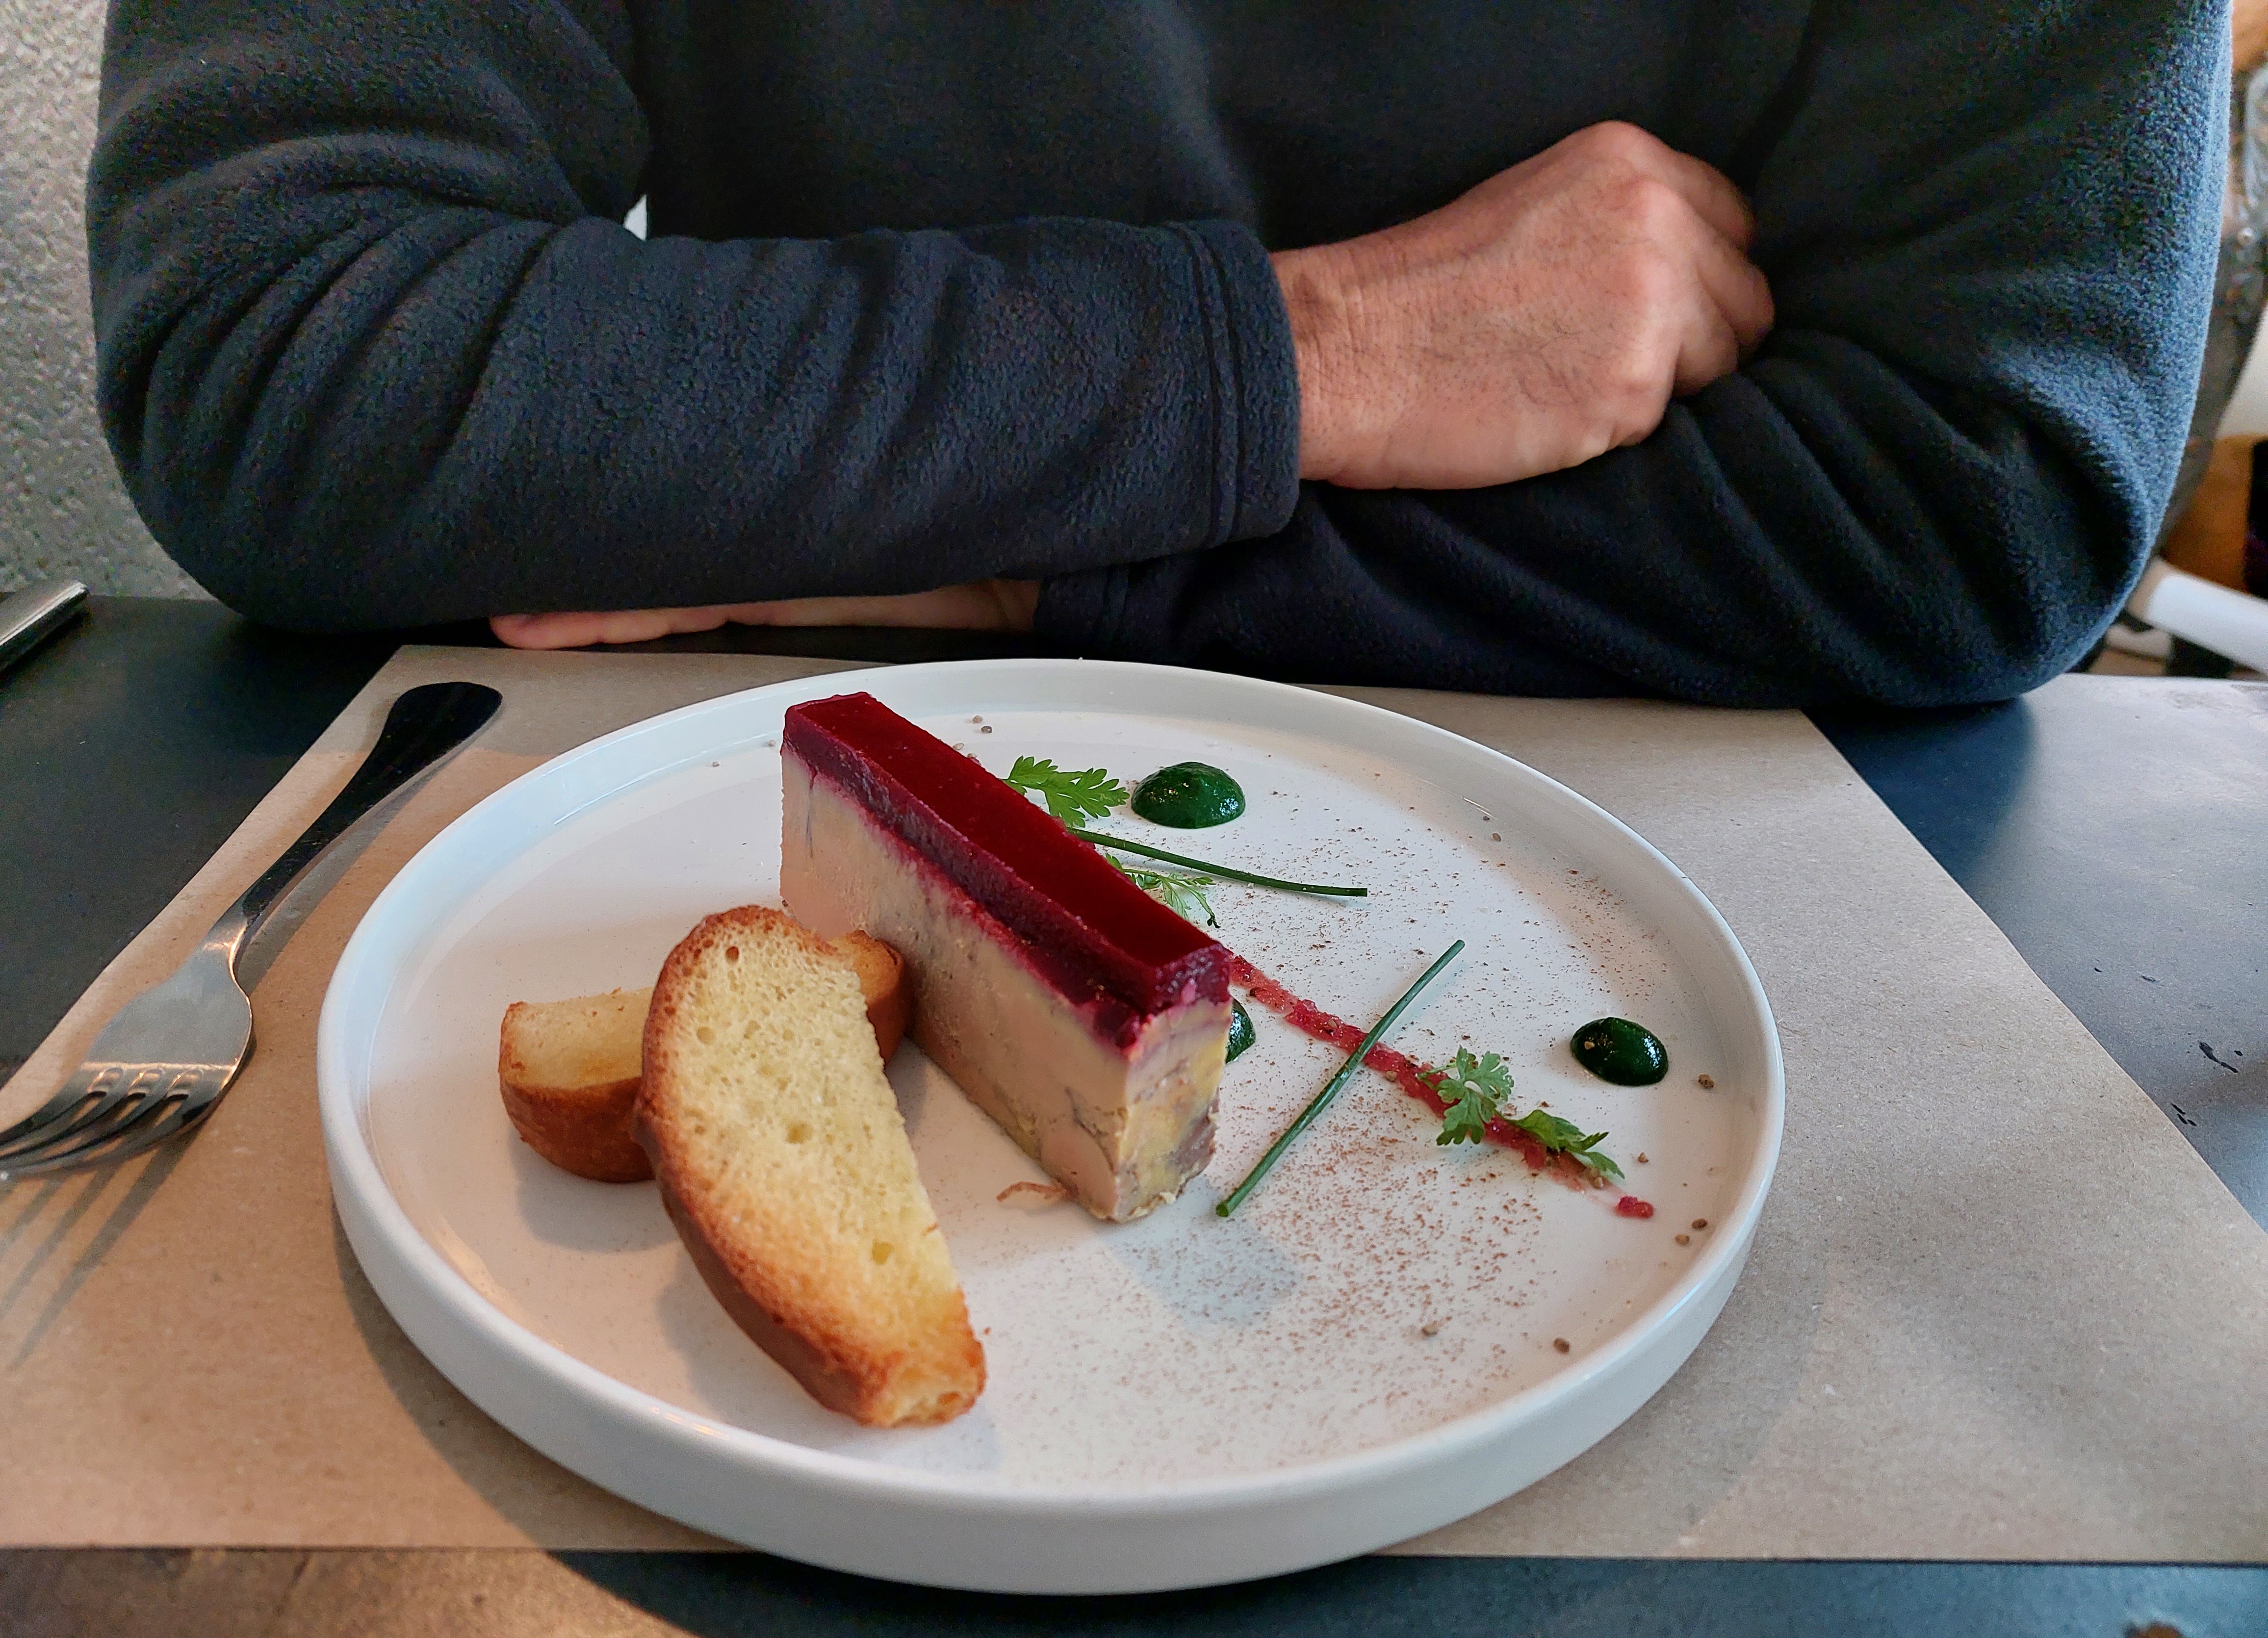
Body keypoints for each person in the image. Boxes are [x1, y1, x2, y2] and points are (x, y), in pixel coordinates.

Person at [87, 0, 2221, 706]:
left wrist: (1004, 563)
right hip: (785, 817)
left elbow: (1973, 504)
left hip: (1725, 958)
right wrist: (1320, 355)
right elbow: (288, 352)